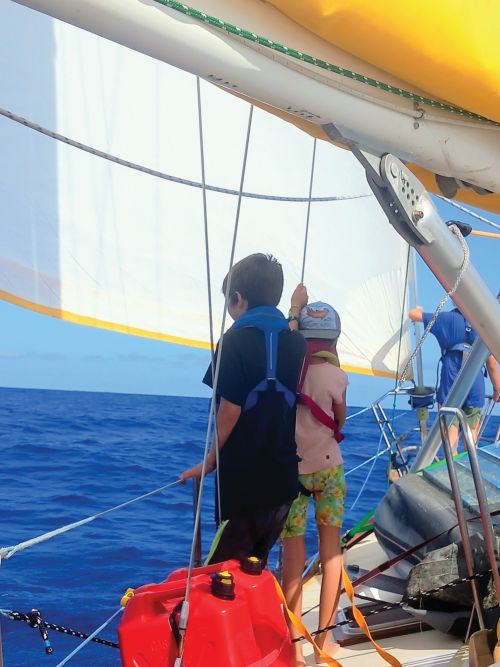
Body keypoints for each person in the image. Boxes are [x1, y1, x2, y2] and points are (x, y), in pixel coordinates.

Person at [180, 253, 306, 565]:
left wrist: (209, 462)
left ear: (238, 299)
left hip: (244, 489)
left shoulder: (232, 342)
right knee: (254, 570)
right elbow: (287, 327)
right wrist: (295, 310)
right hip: (283, 486)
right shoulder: (297, 342)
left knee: (222, 574)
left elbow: (229, 411)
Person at [282, 284, 348, 666]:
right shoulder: (336, 378)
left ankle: (292, 646)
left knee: (292, 556)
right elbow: (339, 421)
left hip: (292, 471)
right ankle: (324, 645)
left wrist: (295, 307)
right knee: (331, 553)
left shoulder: (289, 372)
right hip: (329, 469)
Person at [409, 305, 500, 452]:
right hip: (475, 383)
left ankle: (452, 468)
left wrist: (419, 309)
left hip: (450, 380)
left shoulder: (444, 318)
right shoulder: (483, 325)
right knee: (471, 434)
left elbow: (413, 314)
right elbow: (491, 362)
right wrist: (497, 389)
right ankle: (470, 469)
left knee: (450, 430)